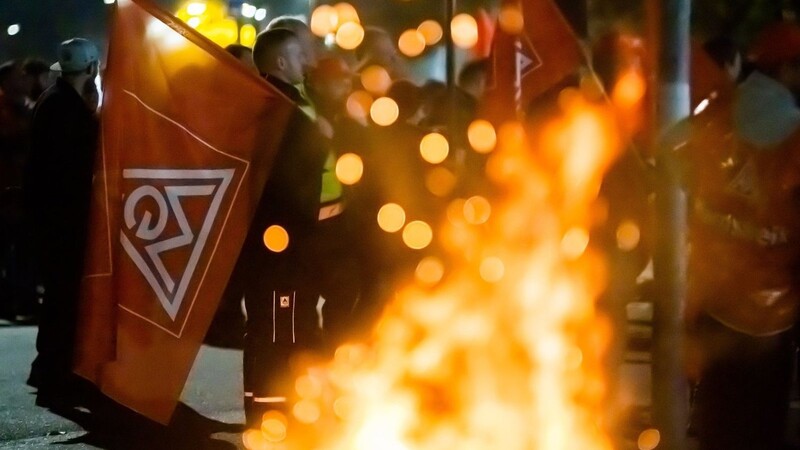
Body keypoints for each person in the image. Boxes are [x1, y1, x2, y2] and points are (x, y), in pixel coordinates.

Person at [679, 21, 800, 450]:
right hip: (770, 319)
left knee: (718, 425)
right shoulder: (793, 131)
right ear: (789, 70)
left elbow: (675, 178)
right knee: (759, 429)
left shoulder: (714, 119)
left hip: (714, 304)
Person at [238, 28, 352, 428]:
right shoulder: (273, 104)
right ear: (281, 62)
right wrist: (319, 139)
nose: (309, 60)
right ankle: (271, 414)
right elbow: (285, 175)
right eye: (300, 55)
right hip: (279, 244)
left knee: (290, 326)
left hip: (297, 241)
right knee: (277, 331)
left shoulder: (295, 100)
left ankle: (281, 410)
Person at [24, 38, 100, 408]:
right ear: (91, 69)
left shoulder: (53, 101)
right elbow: (76, 164)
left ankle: (48, 369)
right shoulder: (68, 108)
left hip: (49, 216)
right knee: (65, 299)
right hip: (63, 218)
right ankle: (56, 375)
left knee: (60, 297)